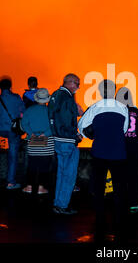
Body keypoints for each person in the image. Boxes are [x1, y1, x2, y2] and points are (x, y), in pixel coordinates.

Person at [78, 80, 129, 240]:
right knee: (119, 187)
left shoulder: (95, 107)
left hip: (99, 151)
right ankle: (119, 219)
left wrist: (89, 135)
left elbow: (81, 125)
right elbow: (125, 129)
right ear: (114, 91)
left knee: (99, 187)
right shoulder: (123, 107)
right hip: (118, 152)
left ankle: (100, 217)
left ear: (100, 92)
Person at [48, 74, 82, 215]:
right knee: (68, 174)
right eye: (77, 84)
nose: (78, 87)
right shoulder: (67, 99)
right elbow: (68, 121)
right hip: (67, 141)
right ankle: (62, 205)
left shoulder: (55, 95)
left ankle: (58, 203)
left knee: (61, 174)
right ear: (71, 83)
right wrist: (76, 137)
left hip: (56, 139)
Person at [115, 87, 138, 213]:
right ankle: (134, 203)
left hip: (120, 149)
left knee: (119, 177)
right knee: (135, 177)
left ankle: (120, 202)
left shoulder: (116, 110)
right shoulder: (136, 111)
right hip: (135, 148)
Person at [0, 76, 25, 189]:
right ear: (10, 86)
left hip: (0, 130)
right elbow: (23, 112)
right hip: (12, 130)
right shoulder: (16, 98)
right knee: (13, 156)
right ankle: (10, 182)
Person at [21, 88, 54, 195]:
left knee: (32, 164)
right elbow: (54, 125)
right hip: (47, 142)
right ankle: (41, 187)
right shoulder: (50, 111)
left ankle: (29, 186)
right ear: (47, 99)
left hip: (33, 140)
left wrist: (31, 134)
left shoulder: (29, 110)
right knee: (44, 165)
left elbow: (24, 124)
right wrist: (46, 134)